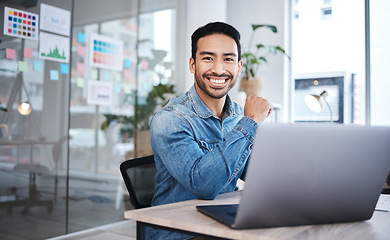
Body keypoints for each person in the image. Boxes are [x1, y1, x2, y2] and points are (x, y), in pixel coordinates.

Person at [148, 22, 273, 239]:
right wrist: (250, 122)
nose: (218, 69)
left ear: (239, 67)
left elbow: (256, 175)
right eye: (208, 58)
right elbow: (205, 184)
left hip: (223, 224)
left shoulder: (237, 116)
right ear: (192, 64)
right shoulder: (169, 120)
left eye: (228, 59)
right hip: (180, 232)